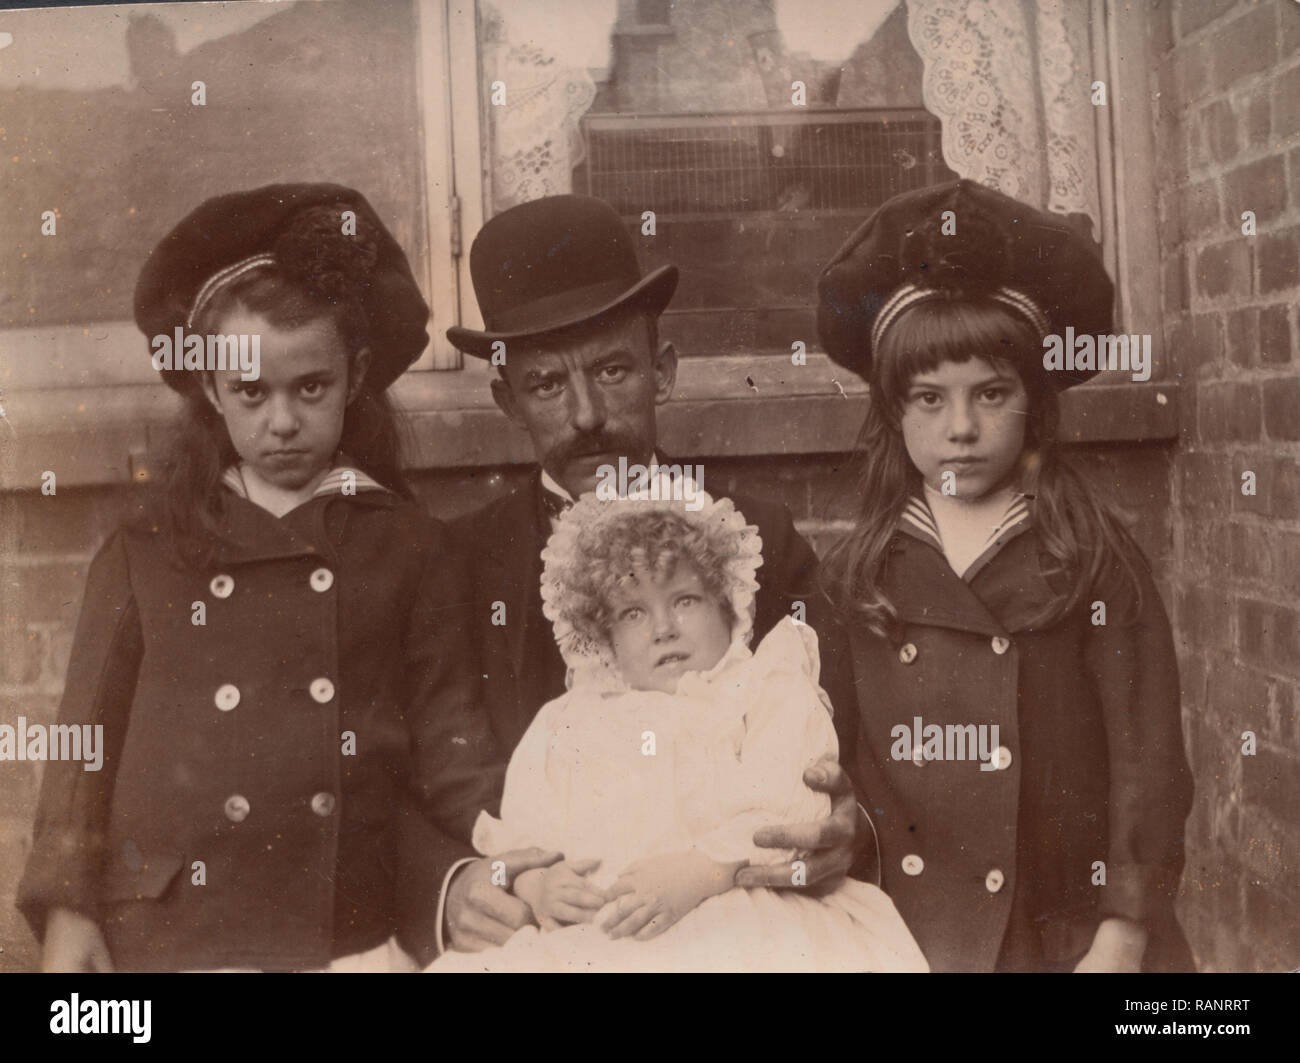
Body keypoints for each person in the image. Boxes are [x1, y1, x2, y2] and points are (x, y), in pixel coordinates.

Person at [17, 183, 501, 972]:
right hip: (173, 930)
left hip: (342, 927)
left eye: (311, 387)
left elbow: (450, 739)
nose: (281, 421)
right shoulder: (146, 548)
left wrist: (512, 844)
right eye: (251, 392)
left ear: (356, 377)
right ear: (210, 388)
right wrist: (70, 908)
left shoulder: (409, 546)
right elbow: (83, 748)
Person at [414, 195, 865, 958]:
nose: (587, 413)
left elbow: (837, 748)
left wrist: (844, 826)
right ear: (507, 401)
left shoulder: (757, 542)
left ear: (663, 371)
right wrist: (455, 879)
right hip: (546, 931)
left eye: (613, 369)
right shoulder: (456, 563)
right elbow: (423, 760)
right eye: (548, 384)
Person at [815, 179, 1195, 972]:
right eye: (929, 398)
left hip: (1069, 930)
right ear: (892, 411)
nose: (961, 428)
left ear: (1036, 404)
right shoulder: (858, 575)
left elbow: (1146, 753)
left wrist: (1124, 928)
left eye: (992, 393)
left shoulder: (1088, 555)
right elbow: (834, 761)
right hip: (910, 933)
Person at [428, 484, 928, 972]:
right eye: (633, 612)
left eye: (685, 600)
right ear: (603, 635)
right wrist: (536, 883)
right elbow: (527, 824)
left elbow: (791, 804)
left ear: (727, 603)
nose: (663, 627)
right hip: (604, 929)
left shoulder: (762, 688)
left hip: (738, 907)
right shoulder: (569, 719)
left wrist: (705, 870)